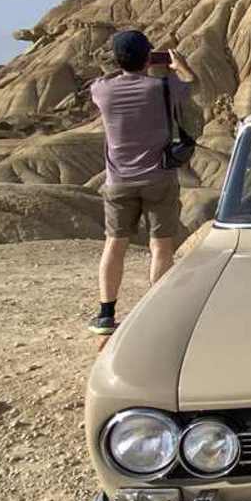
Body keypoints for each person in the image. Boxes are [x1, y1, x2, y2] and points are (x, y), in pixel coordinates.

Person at [88, 30, 195, 334]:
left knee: (114, 245)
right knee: (161, 247)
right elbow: (192, 84)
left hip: (118, 181)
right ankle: (156, 313)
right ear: (148, 57)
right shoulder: (161, 88)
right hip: (159, 177)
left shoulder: (102, 91)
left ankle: (106, 314)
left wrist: (125, 65)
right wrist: (180, 66)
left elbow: (104, 78)